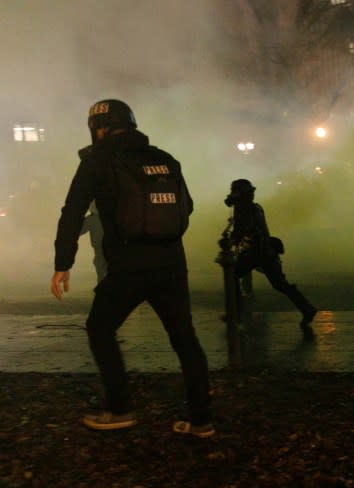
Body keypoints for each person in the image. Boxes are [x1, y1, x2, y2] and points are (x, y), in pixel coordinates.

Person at [51, 99, 213, 437]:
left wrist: (62, 263)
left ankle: (119, 408)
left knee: (100, 328)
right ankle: (201, 420)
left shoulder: (97, 161)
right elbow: (188, 206)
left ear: (98, 128)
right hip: (171, 262)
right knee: (185, 338)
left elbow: (72, 212)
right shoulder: (165, 159)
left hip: (127, 266)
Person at [225, 179, 317, 328]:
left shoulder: (247, 209)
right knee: (280, 284)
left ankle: (236, 314)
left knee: (233, 275)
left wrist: (231, 240)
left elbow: (243, 230)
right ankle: (307, 309)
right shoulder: (251, 208)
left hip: (257, 252)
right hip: (264, 251)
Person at [79, 201, 108, 284]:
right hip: (111, 248)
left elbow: (77, 230)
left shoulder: (92, 219)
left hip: (99, 250)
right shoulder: (110, 217)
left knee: (101, 273)